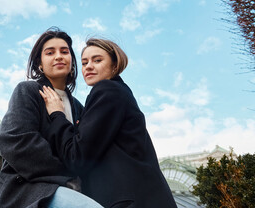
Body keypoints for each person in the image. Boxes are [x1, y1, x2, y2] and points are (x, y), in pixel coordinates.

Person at [39, 38, 177, 208]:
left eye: (97, 60)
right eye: (84, 62)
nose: (88, 66)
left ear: (114, 65)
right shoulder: (118, 93)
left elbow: (77, 157)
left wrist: (57, 114)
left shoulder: (107, 90)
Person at [0, 28, 103, 208]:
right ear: (40, 64)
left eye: (64, 52)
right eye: (50, 52)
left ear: (72, 62)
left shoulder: (79, 108)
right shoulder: (28, 91)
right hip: (28, 190)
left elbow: (82, 153)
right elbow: (15, 141)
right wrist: (67, 175)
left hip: (71, 189)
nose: (58, 56)